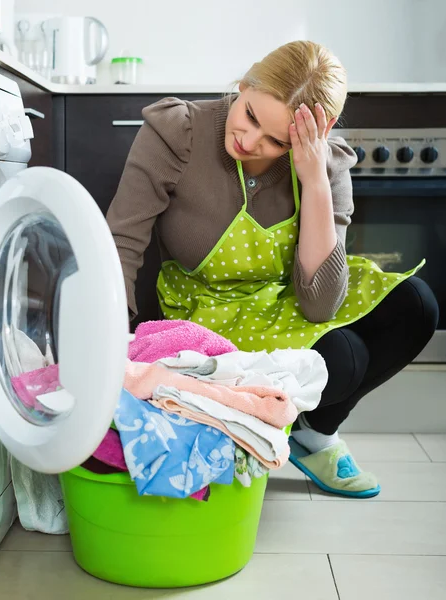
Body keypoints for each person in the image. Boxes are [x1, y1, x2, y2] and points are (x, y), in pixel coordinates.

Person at [107, 40, 439, 498]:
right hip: (208, 311)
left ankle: (313, 435)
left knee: (416, 306)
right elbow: (122, 240)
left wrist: (314, 181)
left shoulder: (327, 162)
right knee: (343, 358)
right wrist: (108, 346)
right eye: (250, 115)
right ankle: (285, 424)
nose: (249, 141)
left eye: (276, 141)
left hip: (287, 301)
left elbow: (320, 305)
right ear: (243, 86)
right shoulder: (179, 132)